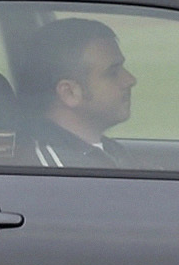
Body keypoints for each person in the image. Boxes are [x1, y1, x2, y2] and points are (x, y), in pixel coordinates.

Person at [15, 17, 137, 169]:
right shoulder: (57, 172)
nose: (130, 80)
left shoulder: (109, 151)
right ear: (69, 93)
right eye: (112, 72)